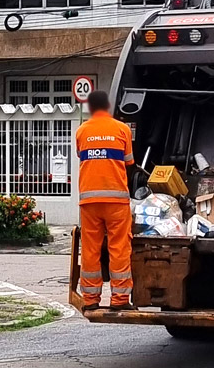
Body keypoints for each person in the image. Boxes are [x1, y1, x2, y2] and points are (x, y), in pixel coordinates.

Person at [75, 90, 135, 311]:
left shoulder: (81, 131)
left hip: (89, 202)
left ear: (91, 108)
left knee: (90, 249)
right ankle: (119, 300)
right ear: (108, 107)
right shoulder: (122, 129)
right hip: (116, 201)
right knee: (118, 247)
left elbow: (82, 156)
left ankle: (90, 300)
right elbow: (129, 162)